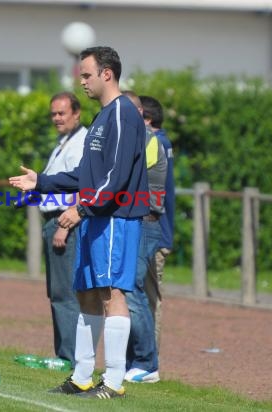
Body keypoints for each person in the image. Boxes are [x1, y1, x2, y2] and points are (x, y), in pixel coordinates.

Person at [10, 46, 149, 400]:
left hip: (114, 218)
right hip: (96, 218)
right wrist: (41, 181)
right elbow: (85, 176)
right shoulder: (102, 117)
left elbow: (115, 177)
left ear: (107, 74)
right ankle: (83, 376)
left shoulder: (121, 114)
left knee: (112, 294)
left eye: (86, 74)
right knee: (87, 294)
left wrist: (83, 210)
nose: (81, 81)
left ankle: (115, 381)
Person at [121, 91, 167, 383]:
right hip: (136, 222)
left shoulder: (148, 140)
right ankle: (132, 362)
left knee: (133, 291)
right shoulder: (138, 138)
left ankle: (147, 364)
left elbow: (124, 175)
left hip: (145, 222)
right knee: (126, 291)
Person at [39, 92, 86, 366]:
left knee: (65, 293)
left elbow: (82, 185)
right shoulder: (64, 142)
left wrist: (64, 226)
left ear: (77, 113)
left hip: (64, 222)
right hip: (55, 219)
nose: (56, 118)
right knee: (57, 292)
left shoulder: (80, 142)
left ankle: (69, 357)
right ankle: (66, 353)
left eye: (62, 113)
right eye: (53, 113)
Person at [140, 95, 175, 352]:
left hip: (156, 231)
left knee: (150, 299)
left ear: (147, 119)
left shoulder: (156, 144)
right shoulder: (163, 143)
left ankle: (149, 360)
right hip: (160, 231)